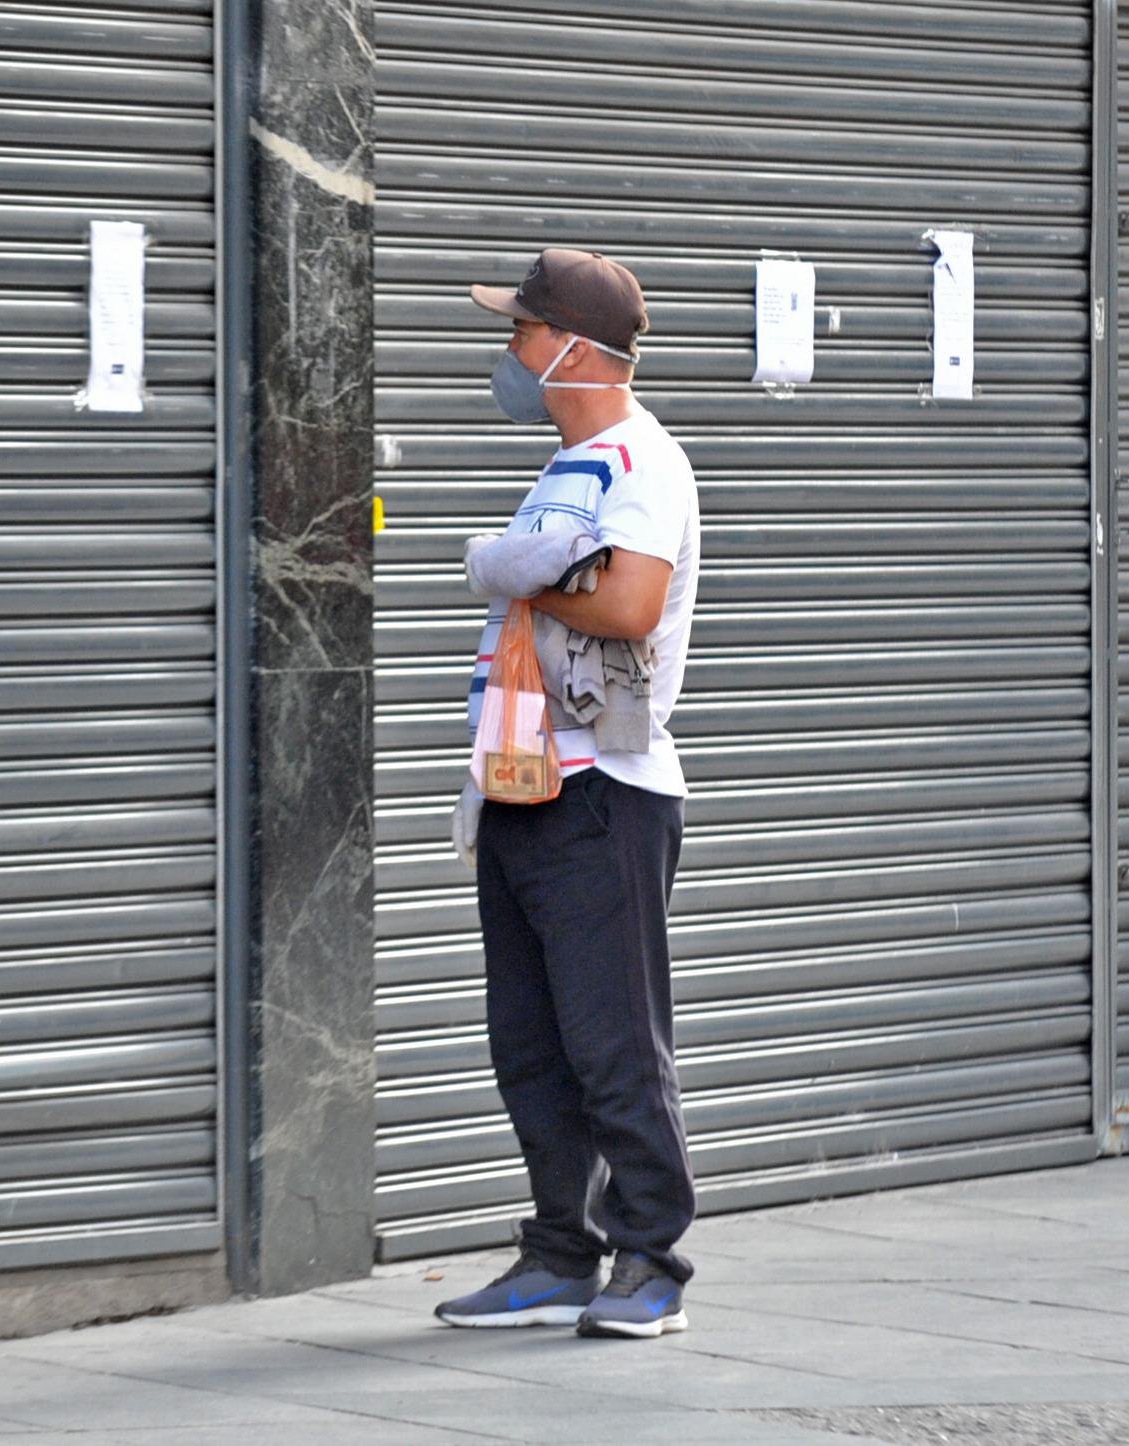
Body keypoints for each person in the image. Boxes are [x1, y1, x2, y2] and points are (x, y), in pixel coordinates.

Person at [433, 248, 702, 1341]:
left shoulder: (644, 462)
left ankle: (652, 1261)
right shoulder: (564, 467)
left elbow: (630, 600)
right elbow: (556, 577)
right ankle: (558, 1256)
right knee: (531, 1048)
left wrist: (514, 564)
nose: (510, 350)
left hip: (606, 798)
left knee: (616, 1046)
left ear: (577, 349)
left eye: (524, 330)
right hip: (522, 788)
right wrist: (539, 558)